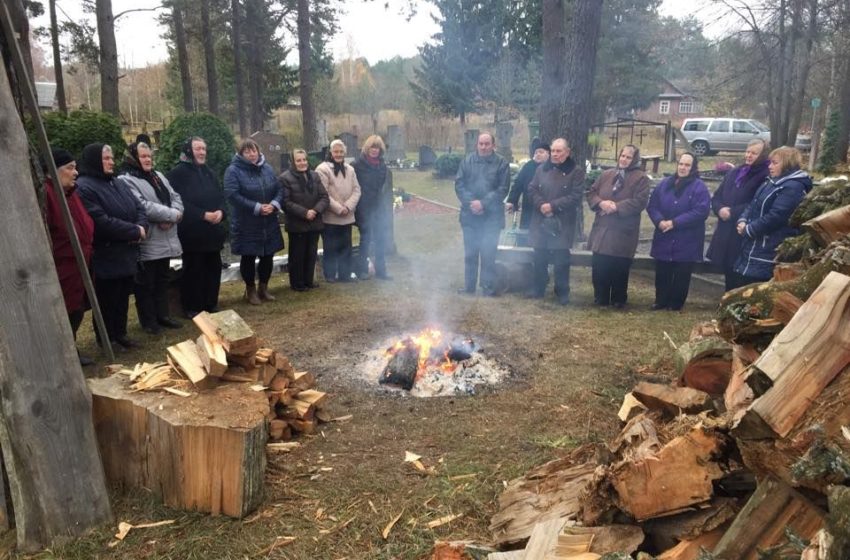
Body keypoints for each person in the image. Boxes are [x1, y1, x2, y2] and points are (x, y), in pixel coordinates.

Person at [76, 143, 149, 350]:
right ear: (94, 161)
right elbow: (101, 221)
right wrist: (134, 231)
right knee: (107, 298)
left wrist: (141, 227)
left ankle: (121, 333)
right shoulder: (85, 186)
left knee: (122, 297)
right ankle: (107, 338)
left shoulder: (117, 182)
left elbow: (139, 207)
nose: (111, 162)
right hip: (106, 254)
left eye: (111, 158)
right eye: (106, 159)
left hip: (126, 252)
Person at [117, 142, 184, 334]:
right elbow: (143, 206)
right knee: (146, 284)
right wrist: (171, 215)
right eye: (143, 156)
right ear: (132, 158)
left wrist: (174, 216)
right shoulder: (126, 180)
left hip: (166, 237)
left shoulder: (158, 176)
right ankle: (149, 321)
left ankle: (163, 315)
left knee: (162, 280)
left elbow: (176, 197)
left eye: (149, 156)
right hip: (148, 241)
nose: (148, 159)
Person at [44, 148, 95, 365]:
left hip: (80, 262)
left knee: (76, 309)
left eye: (76, 167)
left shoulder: (70, 194)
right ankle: (61, 354)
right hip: (62, 265)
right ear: (53, 171)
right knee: (62, 312)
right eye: (70, 168)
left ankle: (70, 348)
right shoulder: (47, 194)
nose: (75, 173)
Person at [732, 146, 812, 285]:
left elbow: (777, 217)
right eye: (770, 162)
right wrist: (743, 220)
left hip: (770, 250)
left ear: (787, 164)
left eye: (774, 163)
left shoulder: (793, 188)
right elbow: (753, 204)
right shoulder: (770, 182)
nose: (769, 166)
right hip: (753, 247)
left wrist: (749, 230)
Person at [167, 137, 227, 318]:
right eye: (198, 149)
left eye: (204, 149)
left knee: (213, 269)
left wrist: (221, 212)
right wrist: (202, 215)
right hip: (192, 232)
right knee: (194, 270)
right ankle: (193, 306)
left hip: (212, 231)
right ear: (188, 151)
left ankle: (211, 302)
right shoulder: (177, 173)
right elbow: (178, 201)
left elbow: (220, 196)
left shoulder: (209, 172)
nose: (202, 153)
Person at [586, 144, 650, 308]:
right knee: (600, 265)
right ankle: (600, 298)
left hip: (623, 231)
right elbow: (591, 193)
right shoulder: (607, 174)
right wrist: (601, 203)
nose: (624, 159)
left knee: (619, 267)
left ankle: (618, 299)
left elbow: (640, 201)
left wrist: (617, 207)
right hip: (603, 228)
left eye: (628, 157)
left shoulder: (641, 178)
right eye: (622, 156)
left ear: (634, 159)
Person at [646, 152, 710, 311]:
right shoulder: (665, 183)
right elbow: (652, 205)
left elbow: (701, 211)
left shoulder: (698, 186)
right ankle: (660, 300)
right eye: (681, 164)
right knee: (662, 270)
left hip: (687, 238)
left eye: (687, 165)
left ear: (693, 167)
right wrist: (659, 221)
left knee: (682, 273)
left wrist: (675, 223)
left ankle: (675, 303)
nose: (683, 167)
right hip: (664, 234)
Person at [224, 138, 285, 304]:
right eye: (247, 151)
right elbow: (233, 195)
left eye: (254, 151)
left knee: (268, 256)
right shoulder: (233, 171)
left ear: (258, 151)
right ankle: (250, 290)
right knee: (249, 257)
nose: (251, 154)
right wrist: (257, 207)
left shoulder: (267, 168)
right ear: (241, 153)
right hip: (247, 222)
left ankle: (263, 288)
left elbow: (279, 189)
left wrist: (273, 204)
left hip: (268, 221)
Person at [705, 139, 770, 290]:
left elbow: (757, 202)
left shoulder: (765, 175)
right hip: (725, 229)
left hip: (742, 230)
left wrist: (733, 213)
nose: (749, 156)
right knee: (728, 270)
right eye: (748, 152)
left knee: (740, 273)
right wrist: (719, 209)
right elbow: (717, 196)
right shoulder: (735, 172)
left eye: (754, 153)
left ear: (763, 155)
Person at [527, 138, 585, 304]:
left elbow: (575, 196)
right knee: (539, 256)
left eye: (559, 151)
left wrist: (552, 206)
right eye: (553, 151)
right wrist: (541, 205)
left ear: (567, 152)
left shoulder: (576, 171)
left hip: (562, 222)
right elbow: (532, 189)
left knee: (561, 260)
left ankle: (562, 293)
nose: (555, 154)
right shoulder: (541, 169)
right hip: (540, 219)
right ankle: (538, 289)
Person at [454, 132, 510, 296]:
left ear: (493, 145)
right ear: (477, 145)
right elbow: (459, 184)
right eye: (481, 144)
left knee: (488, 253)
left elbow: (502, 188)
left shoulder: (501, 164)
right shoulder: (467, 161)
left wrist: (483, 203)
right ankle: (469, 287)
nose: (484, 147)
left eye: (487, 144)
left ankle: (487, 287)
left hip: (491, 217)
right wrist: (471, 202)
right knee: (470, 253)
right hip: (470, 216)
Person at [281, 149, 330, 291]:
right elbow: (286, 202)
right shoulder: (285, 178)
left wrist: (315, 211)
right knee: (298, 255)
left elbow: (324, 197)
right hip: (297, 224)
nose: (302, 163)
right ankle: (297, 283)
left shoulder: (314, 176)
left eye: (304, 160)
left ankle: (309, 281)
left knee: (311, 253)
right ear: (293, 162)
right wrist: (304, 213)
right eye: (299, 160)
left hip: (314, 222)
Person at [316, 139, 361, 282]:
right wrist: (338, 208)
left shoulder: (350, 169)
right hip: (331, 216)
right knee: (330, 247)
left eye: (341, 151)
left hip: (347, 215)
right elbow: (323, 193)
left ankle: (345, 274)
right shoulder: (322, 169)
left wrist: (348, 206)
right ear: (330, 152)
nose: (339, 154)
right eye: (336, 151)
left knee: (346, 247)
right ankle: (330, 275)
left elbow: (357, 190)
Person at [352, 135, 392, 280]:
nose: (374, 150)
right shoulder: (357, 165)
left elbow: (380, 187)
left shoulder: (382, 166)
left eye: (377, 148)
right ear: (367, 148)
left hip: (378, 208)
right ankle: (361, 270)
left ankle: (381, 270)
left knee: (380, 239)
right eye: (372, 147)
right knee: (365, 239)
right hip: (363, 208)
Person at [506, 139, 550, 231]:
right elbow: (518, 185)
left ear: (548, 154)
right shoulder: (528, 167)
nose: (538, 154)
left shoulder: (552, 168)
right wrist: (511, 201)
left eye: (541, 152)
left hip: (546, 210)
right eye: (536, 152)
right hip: (528, 208)